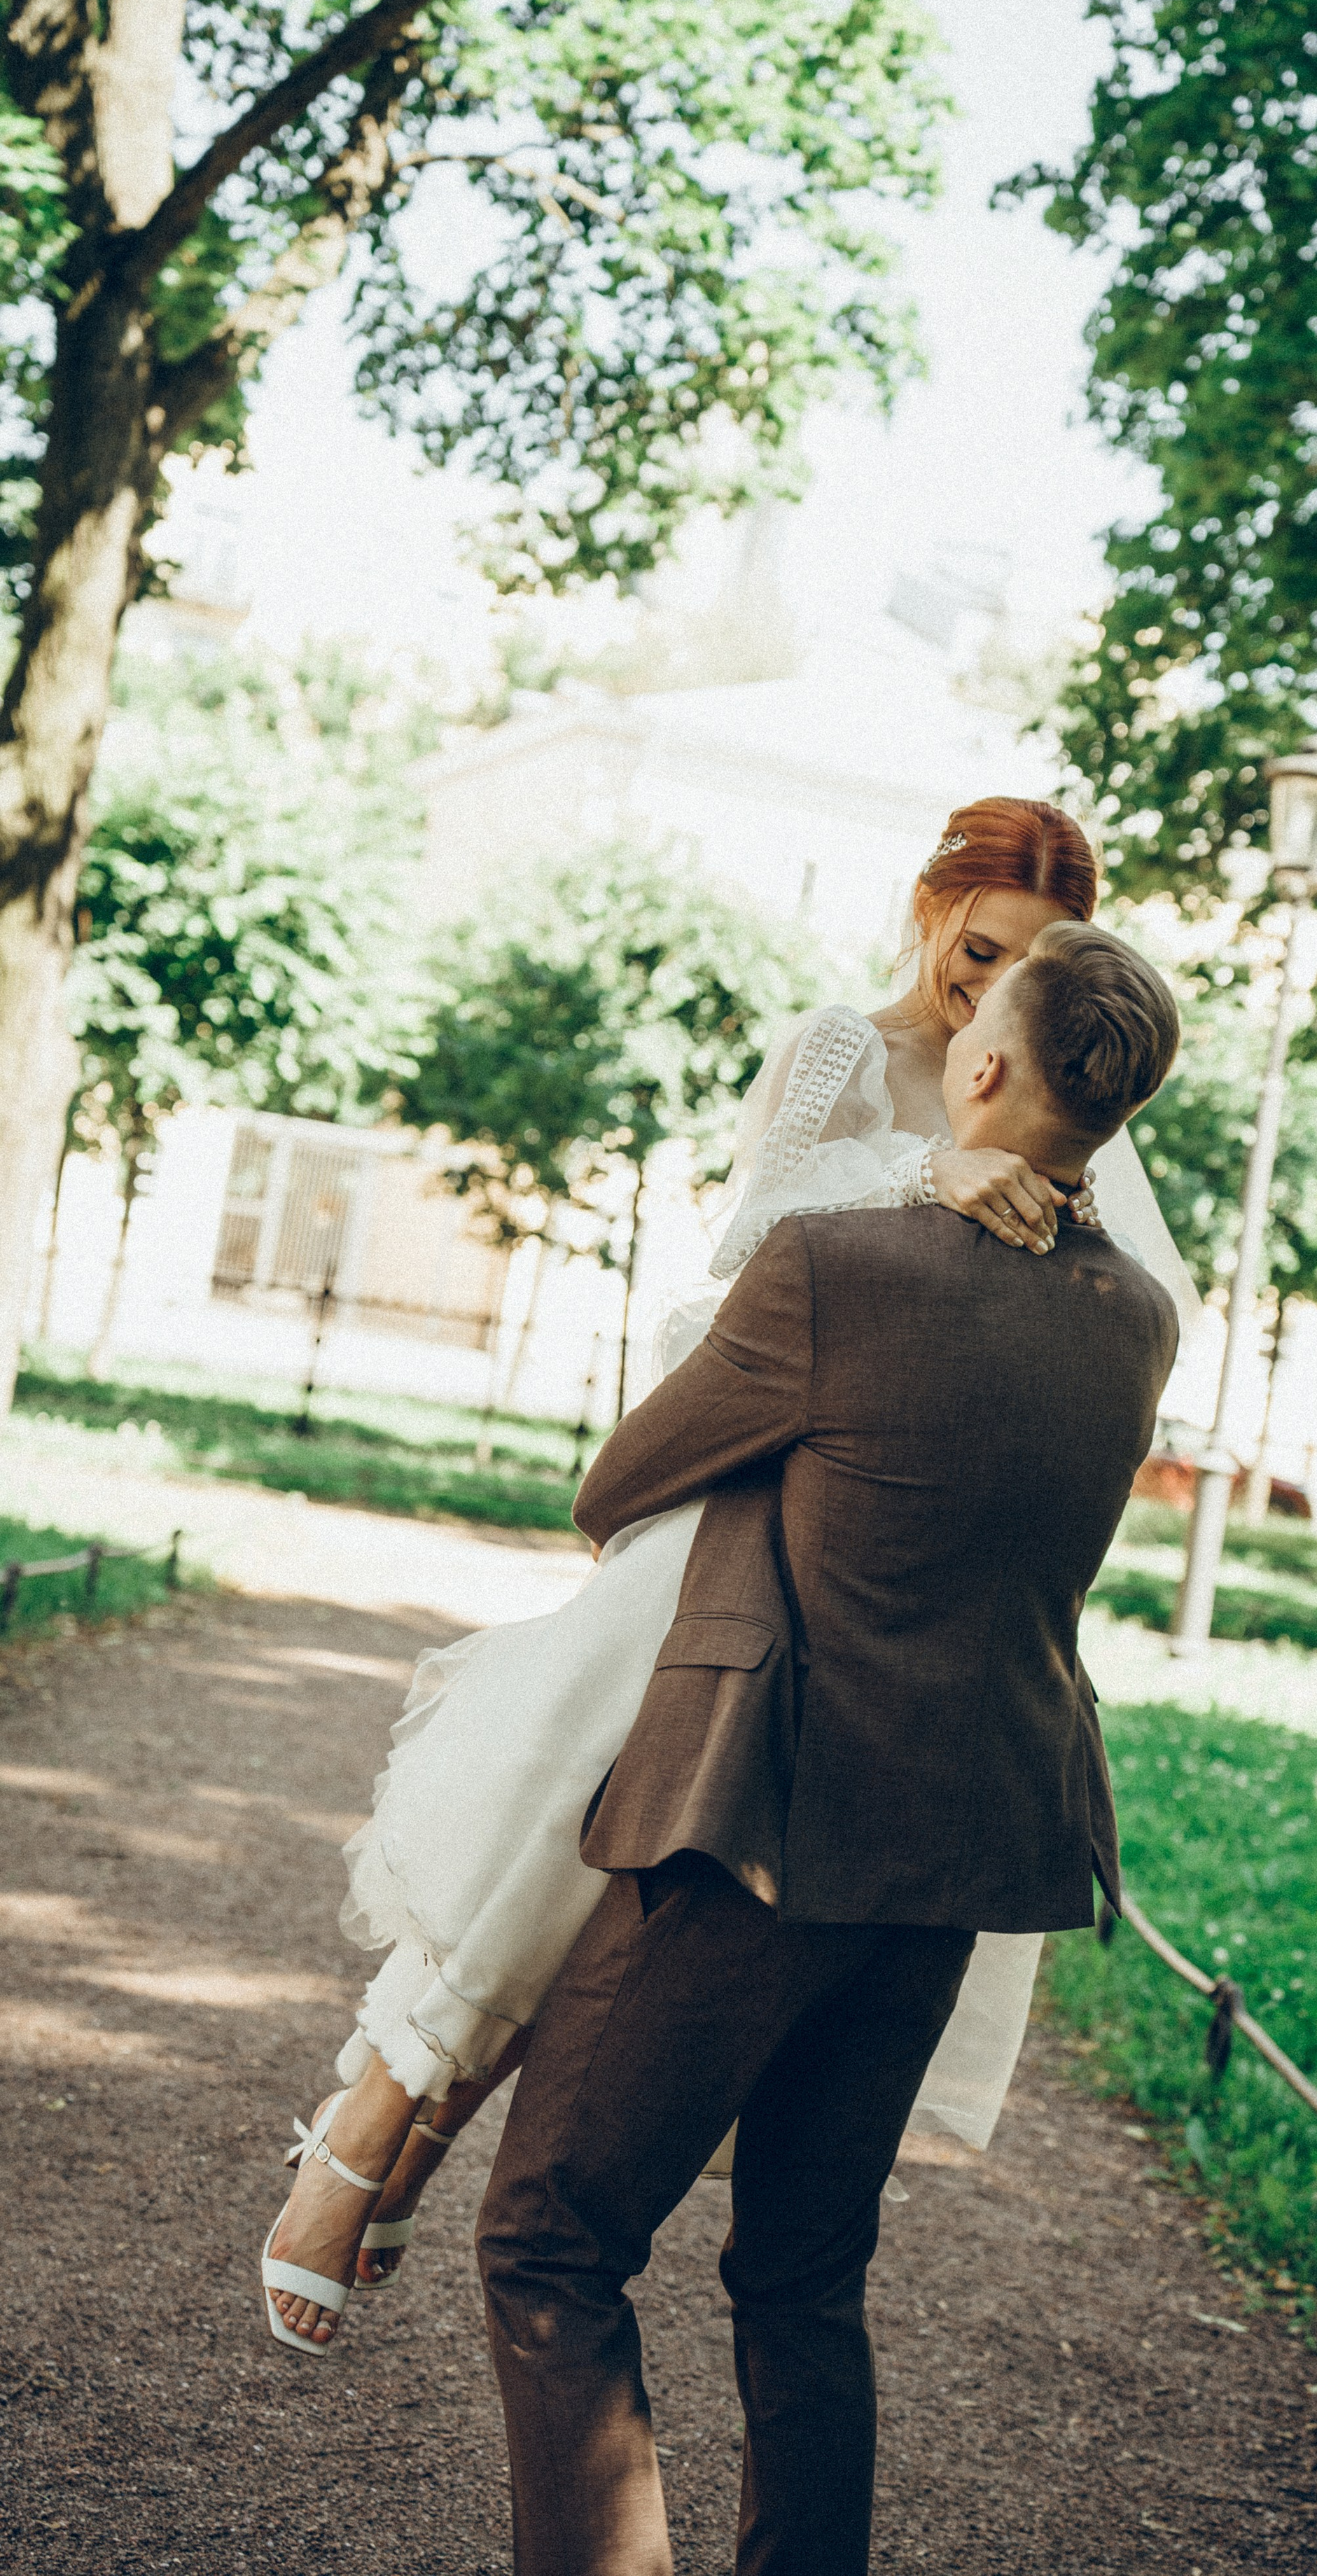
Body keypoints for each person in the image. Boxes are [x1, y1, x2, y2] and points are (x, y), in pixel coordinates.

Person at [258, 799, 1194, 2355]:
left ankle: (394, 2142)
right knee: (559, 1791)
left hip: (866, 1527)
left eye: (1026, 968)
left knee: (627, 1874)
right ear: (926, 914)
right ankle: (373, 2129)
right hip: (739, 1467)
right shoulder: (838, 1047)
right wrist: (923, 1181)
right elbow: (744, 1248)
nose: (987, 993)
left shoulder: (1054, 1097)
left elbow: (1110, 1315)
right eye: (975, 952)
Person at [477, 921, 1183, 2576]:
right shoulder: (1137, 1321)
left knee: (551, 2240)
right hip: (954, 1857)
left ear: (984, 1072)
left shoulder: (833, 1269)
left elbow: (616, 1484)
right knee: (802, 2280)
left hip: (753, 1836)